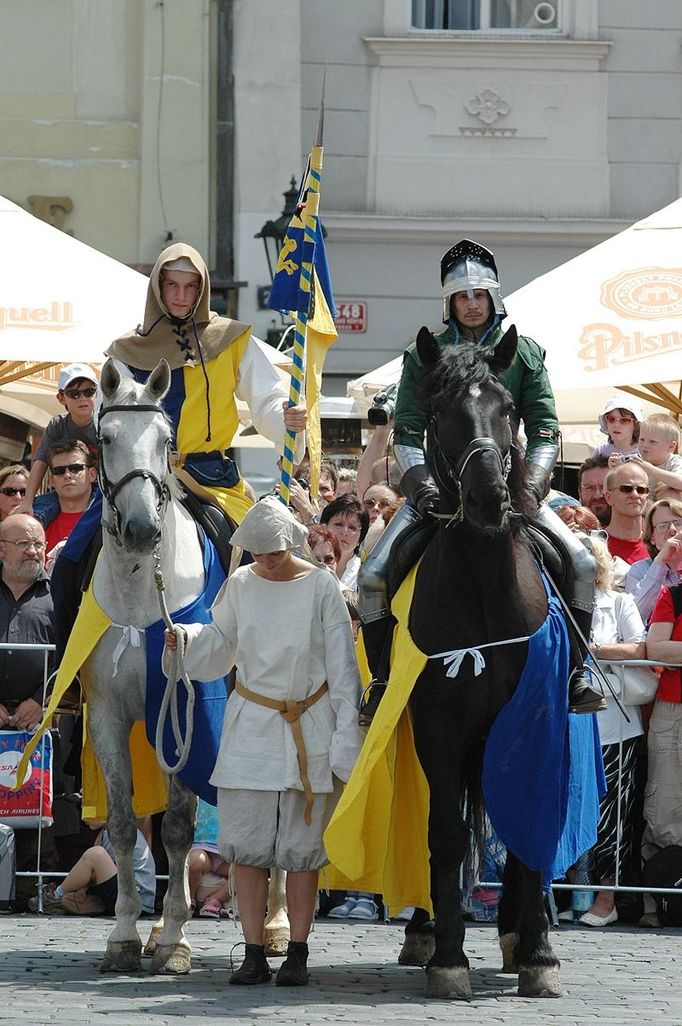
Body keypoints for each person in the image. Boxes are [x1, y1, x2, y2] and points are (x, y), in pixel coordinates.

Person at [357, 238, 603, 723]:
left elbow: (545, 428)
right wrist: (422, 485)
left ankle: (579, 671)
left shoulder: (523, 352)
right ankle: (383, 678)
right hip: (439, 490)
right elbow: (406, 428)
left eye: (479, 295)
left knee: (581, 562)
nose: (471, 304)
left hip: (514, 487)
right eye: (461, 296)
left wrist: (531, 485)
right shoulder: (424, 355)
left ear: (494, 297)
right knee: (370, 575)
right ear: (448, 302)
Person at [163, 497, 363, 987]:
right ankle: (253, 951)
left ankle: (297, 950)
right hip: (252, 728)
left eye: (273, 550)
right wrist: (186, 641)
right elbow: (220, 643)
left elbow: (343, 670)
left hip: (308, 727)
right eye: (257, 551)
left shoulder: (321, 587)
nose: (266, 559)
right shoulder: (242, 583)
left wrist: (344, 735)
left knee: (301, 852)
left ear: (292, 541)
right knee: (247, 850)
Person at [577, 535, 646, 927]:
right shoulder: (555, 603)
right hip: (568, 722)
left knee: (613, 815)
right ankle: (571, 890)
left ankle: (607, 896)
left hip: (614, 724)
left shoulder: (619, 601)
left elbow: (640, 648)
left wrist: (597, 649)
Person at [16, 363, 98, 516]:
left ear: (97, 394)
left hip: (103, 491)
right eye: (74, 393)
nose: (82, 398)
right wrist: (27, 501)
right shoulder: (57, 424)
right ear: (61, 398)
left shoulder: (105, 424)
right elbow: (40, 462)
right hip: (68, 492)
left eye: (89, 391)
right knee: (34, 513)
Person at [29, 821, 156, 917]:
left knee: (95, 855)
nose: (85, 818)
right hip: (130, 894)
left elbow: (115, 868)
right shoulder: (108, 832)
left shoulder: (118, 831)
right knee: (95, 858)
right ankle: (73, 899)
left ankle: (54, 897)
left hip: (136, 898)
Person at [34, 441, 98, 575]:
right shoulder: (35, 522)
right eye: (59, 471)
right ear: (52, 480)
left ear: (92, 474)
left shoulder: (106, 522)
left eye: (75, 468)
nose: (67, 475)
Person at [625, 499, 682, 623]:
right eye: (663, 526)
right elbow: (634, 616)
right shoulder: (639, 570)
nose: (672, 529)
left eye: (678, 523)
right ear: (652, 538)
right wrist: (660, 562)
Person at [603, 462, 650, 565]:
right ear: (609, 497)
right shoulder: (596, 544)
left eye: (641, 490)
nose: (635, 494)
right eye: (626, 489)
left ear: (647, 498)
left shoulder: (658, 546)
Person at [319, 494, 369, 589]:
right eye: (339, 524)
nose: (345, 532)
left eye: (352, 527)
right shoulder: (308, 562)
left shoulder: (365, 574)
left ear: (360, 538)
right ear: (323, 527)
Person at [632, 414, 682, 493]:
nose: (645, 445)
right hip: (641, 501)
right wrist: (616, 468)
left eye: (652, 442)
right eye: (642, 439)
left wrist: (651, 470)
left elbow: (680, 482)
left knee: (671, 493)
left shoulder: (674, 461)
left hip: (665, 503)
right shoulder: (637, 459)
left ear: (671, 446)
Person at [577, 456, 610, 525]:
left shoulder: (635, 532)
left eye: (604, 487)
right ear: (580, 492)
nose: (597, 495)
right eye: (589, 488)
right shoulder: (567, 531)